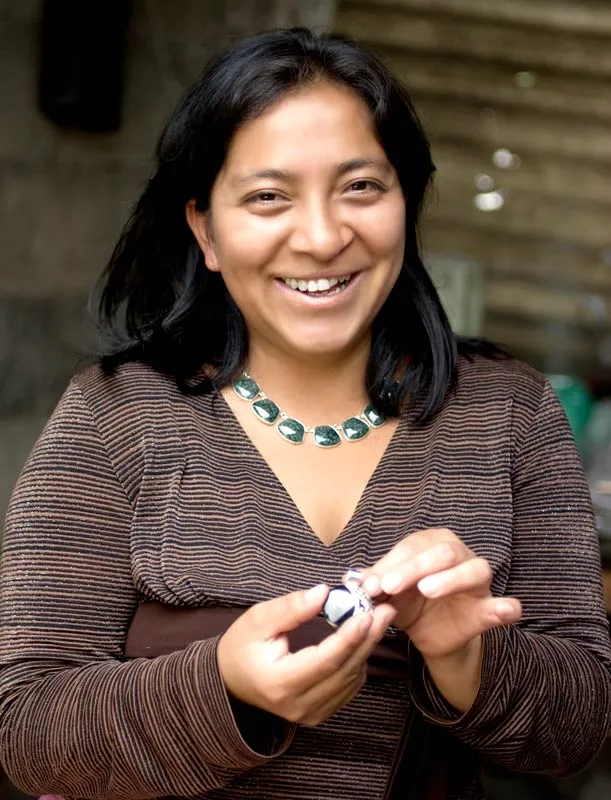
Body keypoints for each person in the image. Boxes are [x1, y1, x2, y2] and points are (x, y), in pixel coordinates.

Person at [0, 26, 610, 800]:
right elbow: (24, 728)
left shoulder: (509, 414)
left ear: (405, 201)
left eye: (361, 187)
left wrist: (465, 657)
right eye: (266, 197)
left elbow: (582, 724)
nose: (322, 237)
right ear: (205, 230)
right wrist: (225, 689)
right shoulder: (114, 416)